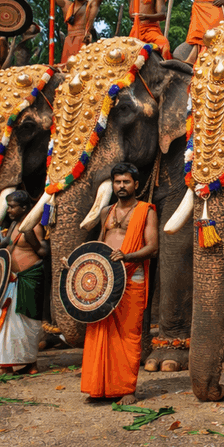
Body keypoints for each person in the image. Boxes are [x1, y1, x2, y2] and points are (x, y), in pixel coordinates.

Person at [77, 162, 158, 404]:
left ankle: (126, 389)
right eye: (117, 182)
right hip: (105, 280)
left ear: (136, 185)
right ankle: (99, 387)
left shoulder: (147, 211)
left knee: (128, 334)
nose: (121, 186)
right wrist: (77, 262)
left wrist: (128, 256)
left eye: (126, 182)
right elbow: (99, 244)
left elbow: (152, 248)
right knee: (99, 332)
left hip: (132, 277)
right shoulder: (107, 212)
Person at [0, 190, 47, 374]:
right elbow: (6, 246)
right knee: (6, 320)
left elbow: (44, 252)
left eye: (13, 206)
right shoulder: (14, 224)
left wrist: (32, 240)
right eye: (8, 206)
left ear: (24, 208)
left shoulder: (36, 226)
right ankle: (6, 364)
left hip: (29, 279)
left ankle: (30, 363)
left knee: (26, 321)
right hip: (11, 280)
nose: (9, 210)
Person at [97, 0, 172, 60]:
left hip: (152, 31)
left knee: (164, 44)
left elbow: (162, 15)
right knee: (121, 56)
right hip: (135, 30)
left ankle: (167, 72)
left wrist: (146, 16)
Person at [40, 0, 107, 64]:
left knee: (81, 67)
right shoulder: (66, 5)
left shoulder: (91, 5)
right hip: (69, 41)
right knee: (66, 67)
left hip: (83, 39)